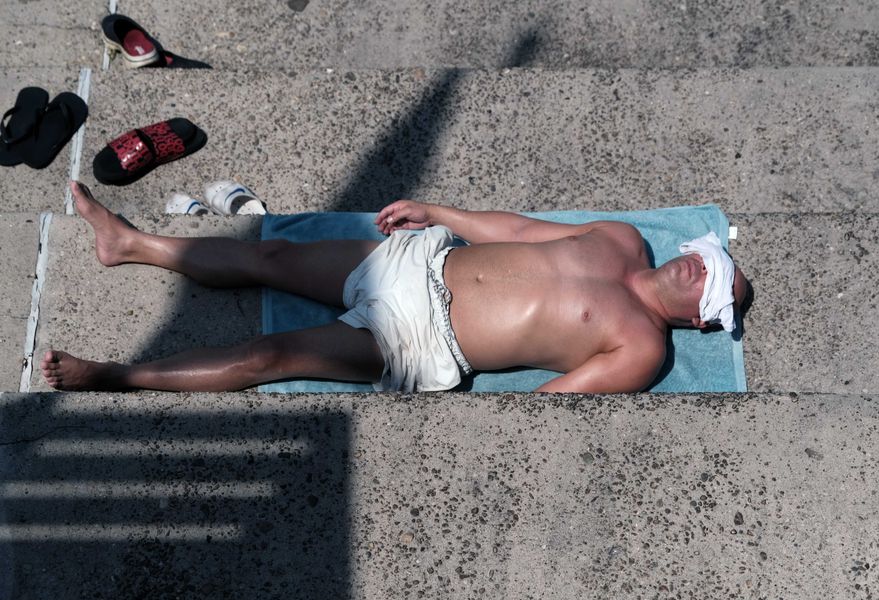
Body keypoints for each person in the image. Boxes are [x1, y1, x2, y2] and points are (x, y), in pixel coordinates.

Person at [41, 182, 749, 394]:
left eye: (711, 282)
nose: (697, 266)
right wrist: (441, 213)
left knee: (269, 355)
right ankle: (129, 243)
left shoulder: (641, 345)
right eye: (707, 257)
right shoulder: (625, 236)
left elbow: (554, 402)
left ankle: (116, 375)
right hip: (421, 265)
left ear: (701, 320)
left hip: (421, 339)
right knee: (275, 255)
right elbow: (524, 228)